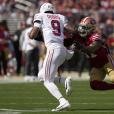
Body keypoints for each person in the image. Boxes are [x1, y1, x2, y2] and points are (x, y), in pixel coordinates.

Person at [29, 3, 75, 111]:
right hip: (63, 51)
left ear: (42, 10)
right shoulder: (61, 17)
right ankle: (64, 81)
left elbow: (32, 34)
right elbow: (71, 30)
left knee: (47, 80)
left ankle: (63, 101)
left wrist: (31, 34)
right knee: (41, 75)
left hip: (53, 49)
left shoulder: (40, 16)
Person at [71, 16, 114, 90]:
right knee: (94, 84)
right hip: (97, 66)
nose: (81, 30)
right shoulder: (81, 38)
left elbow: (91, 48)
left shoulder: (96, 36)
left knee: (113, 79)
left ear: (91, 29)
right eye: (81, 27)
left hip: (107, 62)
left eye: (84, 28)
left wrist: (81, 47)